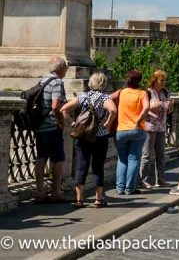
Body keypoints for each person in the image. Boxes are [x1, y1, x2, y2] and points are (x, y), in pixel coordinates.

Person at [60, 72, 117, 208]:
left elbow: (64, 109)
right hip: (100, 136)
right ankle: (99, 199)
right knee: (98, 167)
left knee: (81, 166)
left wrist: (73, 124)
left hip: (83, 135)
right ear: (103, 84)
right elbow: (113, 110)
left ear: (91, 83)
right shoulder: (105, 98)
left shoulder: (83, 96)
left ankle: (79, 200)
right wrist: (107, 123)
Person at [33, 57, 68, 202]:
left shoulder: (42, 81)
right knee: (58, 160)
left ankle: (40, 191)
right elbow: (55, 106)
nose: (66, 70)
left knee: (41, 158)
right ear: (61, 69)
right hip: (52, 126)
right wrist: (61, 122)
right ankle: (56, 192)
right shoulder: (57, 82)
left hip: (40, 126)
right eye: (65, 67)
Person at [114, 70, 150, 195]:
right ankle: (130, 188)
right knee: (133, 159)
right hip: (137, 129)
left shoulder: (121, 92)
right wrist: (139, 119)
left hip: (121, 130)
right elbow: (146, 107)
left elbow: (107, 99)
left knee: (122, 159)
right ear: (139, 80)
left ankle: (119, 188)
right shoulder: (142, 93)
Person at [141, 70, 171, 189]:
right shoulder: (147, 93)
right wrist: (155, 105)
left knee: (161, 154)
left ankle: (161, 179)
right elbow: (144, 108)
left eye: (164, 80)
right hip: (149, 126)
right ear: (155, 80)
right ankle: (144, 180)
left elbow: (169, 109)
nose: (163, 82)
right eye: (161, 80)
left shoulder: (165, 92)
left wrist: (170, 106)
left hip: (161, 127)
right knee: (147, 154)